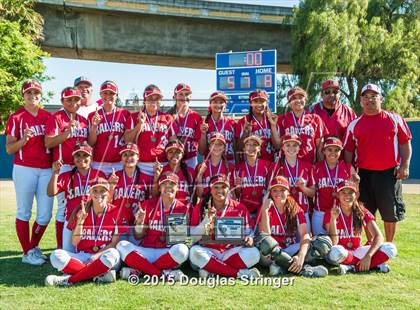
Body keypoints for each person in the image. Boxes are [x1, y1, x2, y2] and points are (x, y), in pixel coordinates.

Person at [343, 83, 412, 242]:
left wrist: (405, 165)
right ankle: (371, 245)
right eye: (366, 97)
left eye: (374, 96)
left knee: (390, 213)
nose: (370, 100)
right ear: (361, 101)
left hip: (389, 173)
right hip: (364, 175)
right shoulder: (354, 124)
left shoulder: (394, 119)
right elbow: (348, 151)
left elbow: (405, 142)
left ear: (381, 98)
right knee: (366, 212)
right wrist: (351, 173)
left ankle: (387, 246)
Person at [5, 80, 54, 265]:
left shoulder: (47, 116)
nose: (32, 96)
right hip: (24, 168)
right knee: (24, 211)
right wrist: (23, 140)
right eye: (28, 93)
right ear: (23, 95)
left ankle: (32, 248)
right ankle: (27, 252)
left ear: (41, 95)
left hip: (46, 169)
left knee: (45, 214)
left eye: (36, 93)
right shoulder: (16, 117)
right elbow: (9, 149)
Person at [45, 178, 123, 286]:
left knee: (113, 255)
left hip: (103, 256)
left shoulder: (117, 211)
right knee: (55, 255)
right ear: (90, 193)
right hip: (83, 256)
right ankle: (99, 275)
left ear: (108, 192)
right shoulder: (81, 210)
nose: (98, 194)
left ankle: (69, 279)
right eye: (95, 191)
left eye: (102, 191)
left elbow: (114, 243)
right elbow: (75, 242)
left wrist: (95, 257)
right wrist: (80, 221)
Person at [116, 172, 189, 280]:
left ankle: (141, 270)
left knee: (182, 250)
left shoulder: (182, 208)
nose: (168, 187)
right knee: (121, 245)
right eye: (165, 184)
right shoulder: (148, 204)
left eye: (172, 184)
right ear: (159, 188)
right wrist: (140, 223)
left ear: (177, 187)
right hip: (147, 251)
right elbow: (138, 236)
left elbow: (178, 241)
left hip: (167, 253)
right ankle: (162, 274)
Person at [189, 174, 261, 279]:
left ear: (229, 189)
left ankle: (212, 269)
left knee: (254, 253)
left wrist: (249, 238)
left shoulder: (239, 207)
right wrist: (206, 221)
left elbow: (249, 231)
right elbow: (192, 238)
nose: (220, 190)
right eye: (216, 187)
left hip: (230, 251)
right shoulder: (199, 208)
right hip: (209, 251)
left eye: (223, 187)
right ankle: (239, 274)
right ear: (210, 189)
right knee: (194, 252)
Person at [257, 176, 329, 277]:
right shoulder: (266, 207)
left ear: (288, 192)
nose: (278, 194)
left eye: (282, 190)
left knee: (321, 242)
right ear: (270, 192)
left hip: (289, 248)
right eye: (275, 190)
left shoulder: (294, 208)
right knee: (266, 245)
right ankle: (305, 270)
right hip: (271, 252)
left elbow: (304, 234)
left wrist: (301, 255)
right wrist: (264, 211)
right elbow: (266, 236)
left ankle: (282, 267)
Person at [45, 87, 89, 249]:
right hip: (63, 167)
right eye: (69, 99)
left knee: (84, 204)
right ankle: (60, 247)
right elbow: (48, 143)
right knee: (64, 207)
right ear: (62, 101)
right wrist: (67, 133)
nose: (73, 102)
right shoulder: (56, 118)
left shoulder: (84, 120)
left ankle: (82, 245)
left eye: (76, 99)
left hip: (82, 166)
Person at [325, 180, 397, 274]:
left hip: (358, 251)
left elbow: (379, 237)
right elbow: (334, 242)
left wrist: (368, 256)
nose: (347, 196)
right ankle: (374, 265)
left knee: (391, 248)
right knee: (335, 251)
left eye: (351, 192)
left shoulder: (361, 211)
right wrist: (333, 219)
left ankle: (352, 268)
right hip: (343, 253)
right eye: (343, 192)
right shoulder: (331, 212)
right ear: (338, 195)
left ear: (356, 195)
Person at [47, 143, 105, 251]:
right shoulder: (67, 176)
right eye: (78, 155)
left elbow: (106, 200)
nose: (81, 158)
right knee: (65, 255)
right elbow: (51, 192)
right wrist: (55, 173)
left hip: (92, 223)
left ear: (91, 158)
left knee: (90, 253)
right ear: (73, 158)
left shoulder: (99, 175)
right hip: (71, 221)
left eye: (85, 155)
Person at [312, 137, 357, 235]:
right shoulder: (316, 168)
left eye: (336, 150)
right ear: (324, 151)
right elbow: (312, 192)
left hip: (339, 213)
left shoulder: (348, 168)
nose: (333, 152)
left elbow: (355, 196)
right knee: (320, 245)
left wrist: (357, 183)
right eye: (329, 149)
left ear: (341, 152)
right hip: (320, 212)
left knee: (339, 246)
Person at [124, 84, 172, 177]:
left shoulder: (167, 118)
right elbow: (127, 140)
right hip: (141, 165)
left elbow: (173, 140)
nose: (154, 101)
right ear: (145, 100)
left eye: (157, 98)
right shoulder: (134, 117)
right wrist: (139, 125)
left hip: (163, 164)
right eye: (150, 98)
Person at [271, 134, 315, 232]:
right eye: (288, 145)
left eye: (295, 145)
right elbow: (270, 191)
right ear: (283, 147)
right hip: (283, 212)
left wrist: (303, 188)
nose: (291, 148)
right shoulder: (276, 167)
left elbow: (313, 193)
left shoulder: (307, 167)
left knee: (304, 243)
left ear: (299, 148)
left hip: (303, 211)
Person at [87, 80, 132, 176]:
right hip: (99, 163)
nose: (108, 96)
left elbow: (129, 139)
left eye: (111, 93)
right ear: (100, 94)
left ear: (116, 95)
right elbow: (91, 143)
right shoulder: (93, 115)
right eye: (105, 93)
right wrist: (94, 126)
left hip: (119, 162)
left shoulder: (125, 114)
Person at [111, 143, 151, 241]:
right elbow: (107, 202)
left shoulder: (146, 178)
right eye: (125, 155)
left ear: (138, 157)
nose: (128, 158)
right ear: (121, 159)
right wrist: (111, 186)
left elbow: (150, 202)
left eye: (132, 154)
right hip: (118, 224)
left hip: (136, 223)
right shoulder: (114, 177)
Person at [278, 86, 326, 163]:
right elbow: (278, 145)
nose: (298, 100)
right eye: (294, 98)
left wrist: (321, 167)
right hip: (288, 165)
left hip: (309, 165)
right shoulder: (282, 119)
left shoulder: (315, 119)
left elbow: (319, 148)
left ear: (305, 99)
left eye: (301, 97)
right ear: (289, 102)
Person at [235, 90, 280, 162]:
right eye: (255, 101)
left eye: (262, 101)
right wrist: (245, 133)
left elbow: (277, 146)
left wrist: (273, 125)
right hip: (250, 165)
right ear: (251, 103)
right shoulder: (243, 121)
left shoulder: (273, 120)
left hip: (269, 163)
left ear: (266, 103)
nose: (259, 104)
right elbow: (239, 148)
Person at [234, 135, 271, 218]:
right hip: (244, 211)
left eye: (254, 144)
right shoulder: (238, 168)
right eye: (248, 144)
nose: (251, 147)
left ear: (259, 149)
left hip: (262, 211)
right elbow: (237, 194)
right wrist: (238, 187)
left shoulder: (267, 166)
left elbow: (270, 188)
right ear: (244, 149)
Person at [168, 83, 203, 169]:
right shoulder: (168, 116)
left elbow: (199, 142)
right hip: (173, 157)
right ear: (175, 96)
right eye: (180, 94)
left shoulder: (196, 117)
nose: (184, 97)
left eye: (187, 94)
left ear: (191, 97)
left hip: (190, 158)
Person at [153, 140, 195, 207]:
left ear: (182, 154)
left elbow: (195, 195)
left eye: (178, 152)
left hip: (185, 209)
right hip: (167, 209)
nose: (174, 155)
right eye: (171, 152)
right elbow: (154, 195)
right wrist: (156, 178)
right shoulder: (161, 171)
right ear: (166, 155)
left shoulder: (190, 171)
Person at [199, 91, 236, 164]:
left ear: (225, 106)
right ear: (210, 104)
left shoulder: (232, 123)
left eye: (221, 102)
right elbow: (201, 151)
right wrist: (203, 134)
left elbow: (235, 147)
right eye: (215, 102)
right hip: (210, 163)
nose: (218, 104)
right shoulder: (204, 123)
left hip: (229, 162)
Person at [196, 132, 234, 200]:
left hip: (222, 203)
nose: (216, 147)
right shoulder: (202, 166)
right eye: (214, 144)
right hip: (207, 204)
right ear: (209, 147)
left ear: (224, 148)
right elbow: (200, 194)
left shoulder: (229, 167)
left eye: (220, 144)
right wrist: (200, 175)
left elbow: (232, 195)